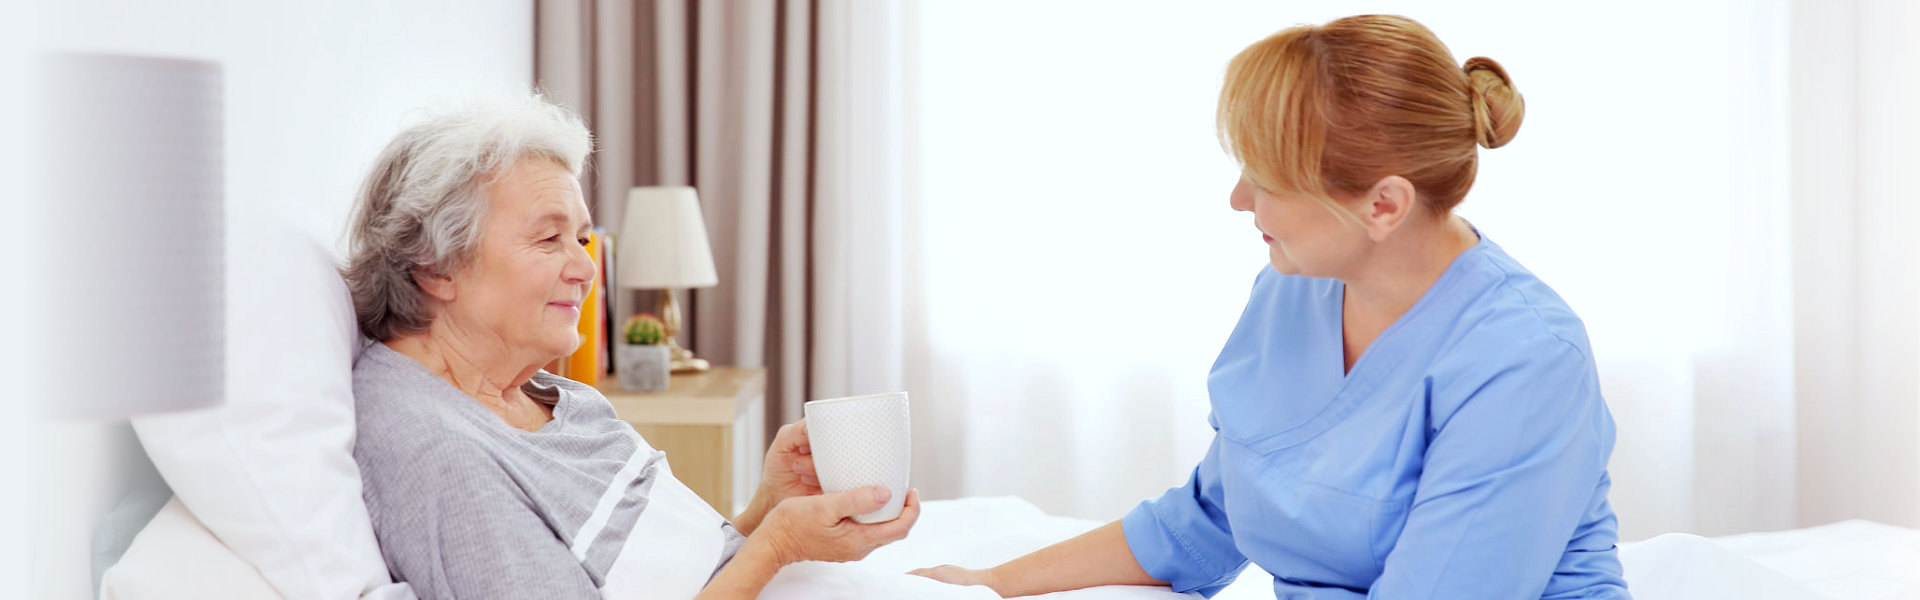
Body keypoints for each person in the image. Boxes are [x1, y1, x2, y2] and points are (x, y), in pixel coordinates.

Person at [913, 14, 1630, 599]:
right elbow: (1211, 516)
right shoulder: (1295, 287)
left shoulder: (1525, 360)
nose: (1237, 200)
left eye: (1266, 179)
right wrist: (987, 585)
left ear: (1383, 205)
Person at [341, 95, 920, 599]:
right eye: (550, 238)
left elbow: (690, 575)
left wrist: (767, 507)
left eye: (583, 238)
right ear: (436, 266)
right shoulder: (439, 452)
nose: (586, 267)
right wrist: (778, 544)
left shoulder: (557, 399)